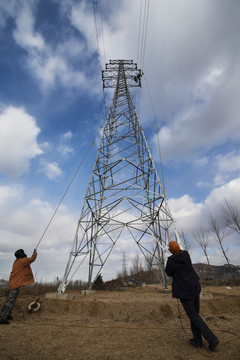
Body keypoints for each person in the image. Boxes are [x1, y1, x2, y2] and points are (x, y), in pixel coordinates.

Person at [165, 241, 219, 351]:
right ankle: (197, 340)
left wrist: (170, 258)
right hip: (194, 288)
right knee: (195, 315)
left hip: (185, 292)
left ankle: (211, 338)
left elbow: (169, 272)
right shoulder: (186, 254)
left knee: (193, 316)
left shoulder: (171, 261)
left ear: (170, 250)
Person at [0, 248, 37, 325]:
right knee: (10, 302)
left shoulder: (18, 261)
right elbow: (32, 259)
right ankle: (2, 318)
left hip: (14, 284)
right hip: (15, 285)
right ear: (22, 254)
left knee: (11, 301)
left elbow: (28, 261)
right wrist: (35, 252)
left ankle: (7, 315)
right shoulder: (22, 261)